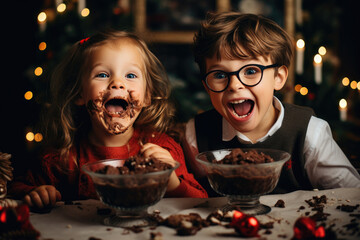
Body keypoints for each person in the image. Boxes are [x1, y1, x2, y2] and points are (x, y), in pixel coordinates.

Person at [9, 30, 207, 209]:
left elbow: (201, 201)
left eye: (130, 75)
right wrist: (35, 193)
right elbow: (14, 188)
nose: (117, 83)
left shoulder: (163, 149)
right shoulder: (62, 159)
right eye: (102, 74)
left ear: (147, 96)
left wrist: (171, 181)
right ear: (80, 93)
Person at [183, 12, 360, 196]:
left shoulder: (309, 133)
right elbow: (193, 197)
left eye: (251, 71)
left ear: (278, 77)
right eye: (219, 75)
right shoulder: (195, 134)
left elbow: (352, 195)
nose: (235, 85)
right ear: (206, 86)